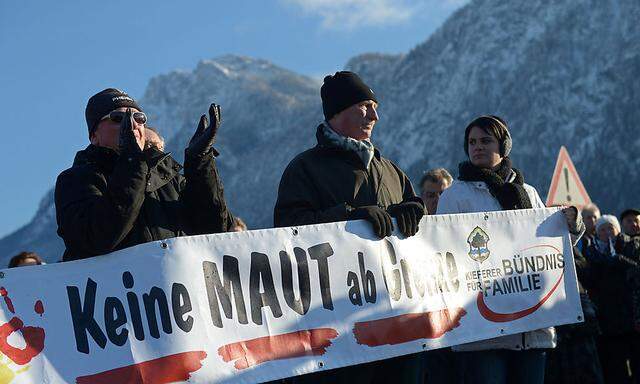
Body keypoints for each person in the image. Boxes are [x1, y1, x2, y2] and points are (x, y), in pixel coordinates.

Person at [274, 71, 425, 384]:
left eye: (375, 106)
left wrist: (416, 208)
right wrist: (349, 217)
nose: (375, 115)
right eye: (366, 106)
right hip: (339, 330)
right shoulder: (305, 168)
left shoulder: (390, 169)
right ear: (338, 111)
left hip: (397, 322)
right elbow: (288, 232)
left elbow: (418, 218)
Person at [436, 115, 584, 384]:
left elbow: (549, 251)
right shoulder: (455, 196)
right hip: (482, 331)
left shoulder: (528, 192)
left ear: (504, 147)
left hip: (531, 327)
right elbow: (442, 253)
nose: (477, 147)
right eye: (471, 142)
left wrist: (570, 227)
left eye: (486, 140)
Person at [55, 88, 234, 261]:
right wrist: (132, 159)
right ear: (94, 136)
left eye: (139, 118)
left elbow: (215, 231)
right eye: (118, 118)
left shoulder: (170, 180)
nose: (132, 124)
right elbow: (99, 237)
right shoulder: (75, 180)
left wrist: (200, 164)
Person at [582, 215, 640, 383]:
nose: (607, 233)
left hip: (631, 318)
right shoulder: (592, 253)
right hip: (608, 322)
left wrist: (619, 260)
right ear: (597, 233)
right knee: (615, 369)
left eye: (610, 228)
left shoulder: (631, 245)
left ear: (617, 230)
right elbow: (589, 281)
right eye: (602, 229)